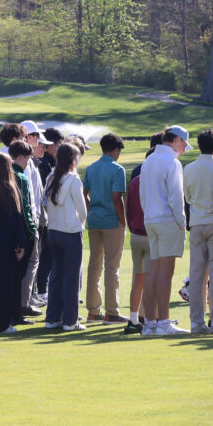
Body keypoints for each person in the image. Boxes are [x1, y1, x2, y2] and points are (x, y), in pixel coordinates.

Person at [139, 126, 192, 335]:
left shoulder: (149, 160)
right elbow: (176, 198)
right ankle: (163, 323)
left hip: (151, 220)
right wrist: (181, 223)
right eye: (184, 144)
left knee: (154, 271)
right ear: (177, 140)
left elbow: (142, 195)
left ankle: (151, 323)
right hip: (168, 220)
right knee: (165, 273)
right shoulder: (172, 162)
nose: (184, 149)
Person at [0, 152, 33, 334]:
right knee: (5, 283)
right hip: (5, 241)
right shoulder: (8, 189)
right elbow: (14, 220)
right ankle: (1, 325)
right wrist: (21, 244)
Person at [182, 128, 213, 334]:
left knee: (197, 273)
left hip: (198, 222)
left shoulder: (189, 169)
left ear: (199, 146)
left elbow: (188, 197)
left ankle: (196, 322)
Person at [83, 133, 130, 324]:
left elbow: (83, 192)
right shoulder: (117, 169)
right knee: (112, 267)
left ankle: (93, 311)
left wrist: (90, 210)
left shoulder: (91, 168)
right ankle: (112, 311)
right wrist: (123, 219)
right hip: (112, 222)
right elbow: (116, 197)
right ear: (116, 150)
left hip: (94, 221)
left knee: (95, 265)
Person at [43, 143, 88, 332]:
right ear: (72, 159)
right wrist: (81, 224)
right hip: (70, 233)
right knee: (71, 278)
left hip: (53, 231)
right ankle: (70, 321)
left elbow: (45, 203)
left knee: (56, 276)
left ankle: (53, 318)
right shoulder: (73, 179)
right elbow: (82, 209)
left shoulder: (51, 176)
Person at [7, 140, 39, 325]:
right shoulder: (21, 177)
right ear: (21, 157)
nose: (28, 162)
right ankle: (22, 305)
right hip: (23, 229)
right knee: (28, 266)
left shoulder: (3, 173)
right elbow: (25, 208)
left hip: (7, 230)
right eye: (27, 158)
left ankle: (15, 306)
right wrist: (32, 229)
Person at [35, 127, 64, 301]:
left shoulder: (49, 161)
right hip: (44, 215)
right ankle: (41, 290)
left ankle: (44, 289)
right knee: (45, 254)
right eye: (59, 144)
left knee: (47, 254)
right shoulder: (45, 163)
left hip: (46, 215)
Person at [123, 169, 151, 334]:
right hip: (149, 234)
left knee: (138, 279)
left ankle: (134, 319)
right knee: (150, 279)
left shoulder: (134, 182)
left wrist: (131, 226)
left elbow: (128, 207)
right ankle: (150, 319)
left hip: (135, 234)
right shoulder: (155, 180)